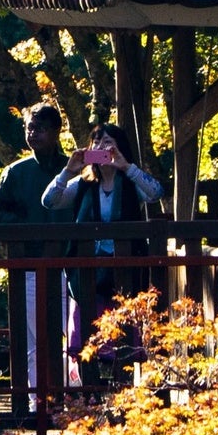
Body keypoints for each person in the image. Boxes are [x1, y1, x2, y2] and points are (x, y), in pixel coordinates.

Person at [57, 121, 164, 386]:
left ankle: (124, 389)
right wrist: (69, 170)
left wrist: (125, 166)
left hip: (124, 267)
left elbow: (155, 193)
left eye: (108, 143)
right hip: (87, 269)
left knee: (124, 329)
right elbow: (50, 200)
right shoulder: (83, 184)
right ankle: (88, 390)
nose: (102, 149)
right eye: (97, 143)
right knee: (86, 329)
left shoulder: (129, 184)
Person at [0, 104, 74, 397]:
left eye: (40, 128)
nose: (33, 134)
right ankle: (40, 400)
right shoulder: (15, 172)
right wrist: (27, 225)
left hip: (70, 264)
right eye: (29, 128)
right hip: (29, 264)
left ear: (55, 131)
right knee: (36, 338)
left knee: (74, 334)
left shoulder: (73, 169)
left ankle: (74, 395)